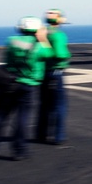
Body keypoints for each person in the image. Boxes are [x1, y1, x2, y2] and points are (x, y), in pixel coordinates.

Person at [0, 17, 52, 161]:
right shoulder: (40, 46)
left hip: (8, 83)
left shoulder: (12, 41)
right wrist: (43, 38)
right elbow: (50, 55)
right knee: (22, 119)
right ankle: (19, 151)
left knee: (0, 117)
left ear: (20, 28)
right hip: (28, 85)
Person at [36, 8, 71, 145]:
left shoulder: (42, 32)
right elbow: (61, 54)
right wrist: (68, 56)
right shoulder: (58, 35)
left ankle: (41, 134)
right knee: (59, 106)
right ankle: (59, 136)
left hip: (42, 73)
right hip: (55, 73)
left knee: (44, 105)